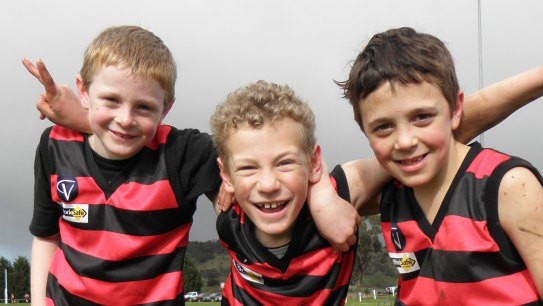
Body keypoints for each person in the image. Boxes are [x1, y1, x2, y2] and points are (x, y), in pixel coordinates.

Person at [26, 25, 360, 306]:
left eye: (144, 107)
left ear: (166, 109)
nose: (125, 119)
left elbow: (268, 150)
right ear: (84, 91)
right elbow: (46, 237)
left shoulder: (183, 154)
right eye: (111, 101)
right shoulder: (54, 145)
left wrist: (322, 195)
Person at [338, 27, 543, 304]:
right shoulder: (390, 197)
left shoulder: (509, 187)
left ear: (457, 108)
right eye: (383, 127)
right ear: (362, 129)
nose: (405, 141)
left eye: (422, 117)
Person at [209, 80, 369, 304]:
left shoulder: (340, 194)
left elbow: (397, 162)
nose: (267, 185)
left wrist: (323, 191)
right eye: (248, 167)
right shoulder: (229, 219)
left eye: (284, 163)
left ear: (313, 162)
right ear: (226, 176)